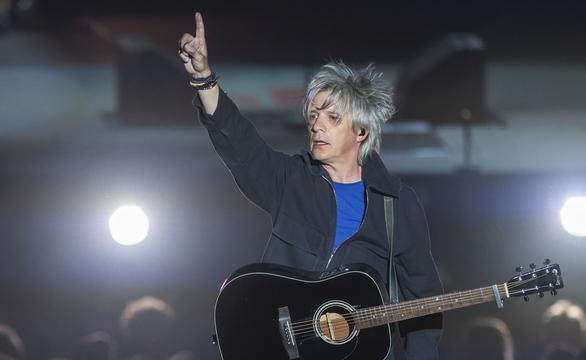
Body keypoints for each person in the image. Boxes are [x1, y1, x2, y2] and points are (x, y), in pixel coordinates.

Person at [178, 12, 443, 359]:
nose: (317, 125)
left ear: (361, 131)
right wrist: (204, 79)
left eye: (332, 118)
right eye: (314, 115)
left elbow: (423, 303)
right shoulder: (292, 181)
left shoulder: (398, 205)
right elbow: (241, 145)